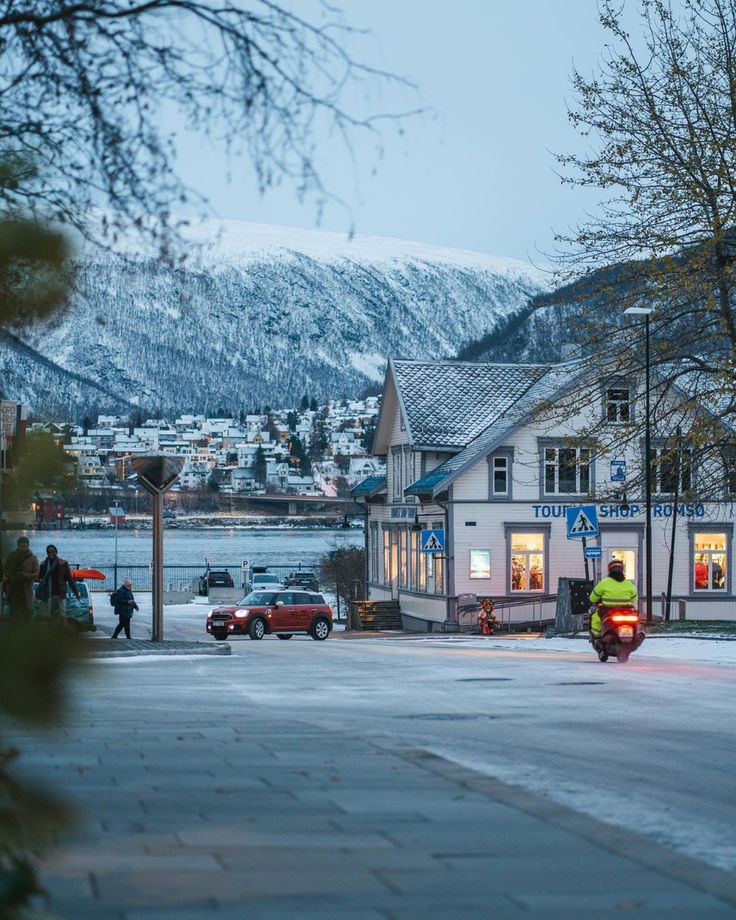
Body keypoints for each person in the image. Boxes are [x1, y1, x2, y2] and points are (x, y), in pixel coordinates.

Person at [589, 558, 639, 637]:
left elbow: (592, 598)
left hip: (607, 610)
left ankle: (597, 636)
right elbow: (634, 599)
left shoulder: (604, 583)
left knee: (596, 618)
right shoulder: (629, 584)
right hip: (626, 611)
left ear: (609, 570)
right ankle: (635, 633)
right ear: (622, 570)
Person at [36, 544, 80, 621]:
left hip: (60, 594)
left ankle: (63, 631)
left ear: (56, 552)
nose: (51, 554)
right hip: (48, 594)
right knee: (47, 617)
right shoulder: (43, 565)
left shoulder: (63, 564)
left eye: (53, 552)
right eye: (49, 552)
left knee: (62, 616)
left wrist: (76, 592)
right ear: (47, 553)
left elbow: (70, 579)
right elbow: (40, 578)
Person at [3, 536, 40, 619]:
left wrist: (26, 575)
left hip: (25, 589)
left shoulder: (33, 558)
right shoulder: (12, 556)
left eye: (24, 546)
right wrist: (10, 576)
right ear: (17, 546)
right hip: (13, 588)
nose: (22, 548)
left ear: (28, 546)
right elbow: (6, 569)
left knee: (26, 612)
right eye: (21, 546)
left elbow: (37, 573)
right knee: (13, 612)